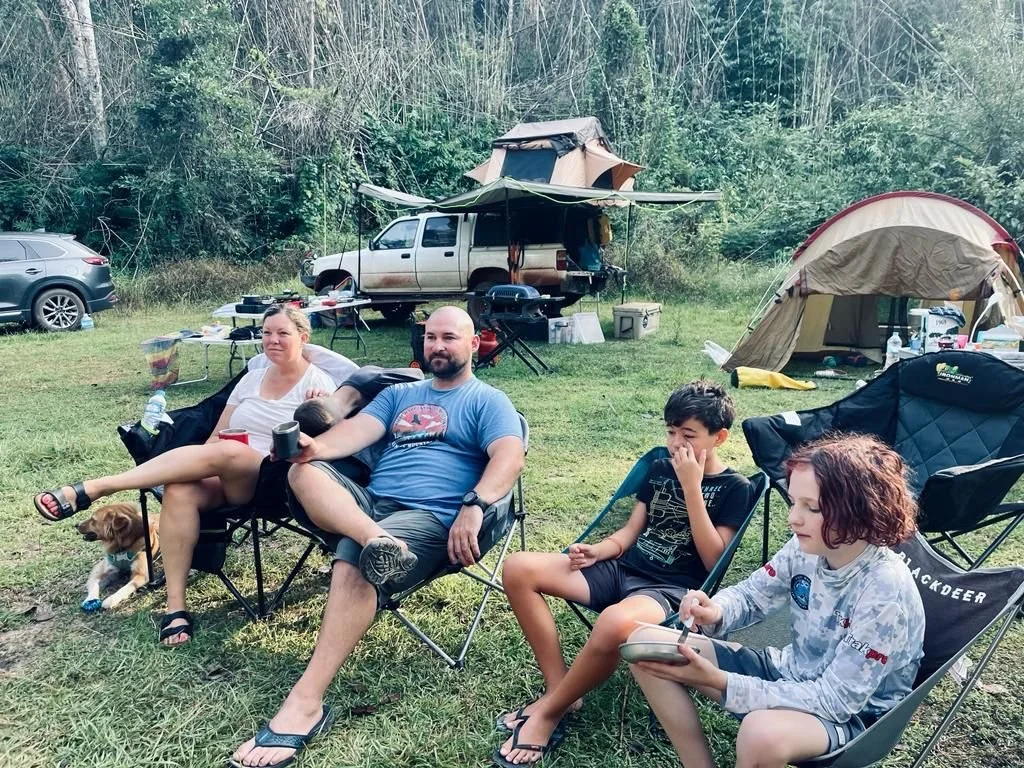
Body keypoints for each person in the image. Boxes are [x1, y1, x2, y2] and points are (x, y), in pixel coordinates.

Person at [229, 306, 525, 768]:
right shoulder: (400, 395)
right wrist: (315, 448)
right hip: (370, 507)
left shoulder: (488, 400)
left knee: (355, 562)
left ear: (473, 345)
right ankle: (374, 538)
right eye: (430, 338)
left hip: (431, 515)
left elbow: (509, 456)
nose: (438, 346)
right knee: (303, 473)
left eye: (449, 338)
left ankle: (305, 702)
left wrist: (476, 504)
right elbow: (352, 434)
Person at [32, 305, 344, 646]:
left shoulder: (319, 383)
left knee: (231, 451)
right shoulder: (252, 379)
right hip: (226, 470)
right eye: (267, 332)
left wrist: (322, 408)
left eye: (283, 333)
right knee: (180, 489)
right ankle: (175, 606)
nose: (273, 340)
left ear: (303, 337)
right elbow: (215, 438)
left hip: (274, 479)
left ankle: (96, 488)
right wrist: (205, 462)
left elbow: (325, 446)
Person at [493, 380, 752, 767]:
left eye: (689, 435)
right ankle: (562, 689)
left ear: (719, 437)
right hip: (622, 569)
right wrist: (599, 550)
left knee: (615, 623)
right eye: (670, 432)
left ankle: (549, 711)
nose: (675, 443)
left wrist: (692, 488)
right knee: (518, 568)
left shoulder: (735, 487)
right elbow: (630, 532)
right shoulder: (660, 468)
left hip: (672, 590)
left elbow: (715, 559)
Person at [627, 435, 924, 768]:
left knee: (761, 733)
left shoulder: (884, 589)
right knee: (646, 643)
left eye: (811, 507)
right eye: (793, 502)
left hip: (852, 717)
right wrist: (716, 609)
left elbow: (838, 700)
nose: (793, 518)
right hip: (789, 672)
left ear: (861, 511)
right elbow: (754, 594)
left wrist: (718, 681)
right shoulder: (807, 546)